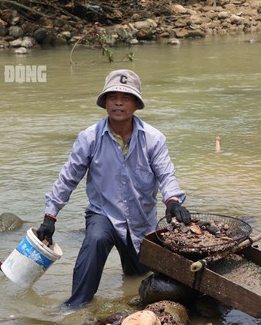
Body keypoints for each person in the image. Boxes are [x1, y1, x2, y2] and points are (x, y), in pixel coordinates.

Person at [36, 69, 192, 308]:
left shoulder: (153, 139)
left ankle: (131, 303)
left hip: (141, 222)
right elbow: (68, 178)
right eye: (112, 96)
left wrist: (172, 201)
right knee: (96, 239)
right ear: (105, 102)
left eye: (126, 97)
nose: (118, 102)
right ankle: (75, 307)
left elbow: (166, 174)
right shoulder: (89, 138)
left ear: (136, 105)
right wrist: (50, 216)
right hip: (104, 214)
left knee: (138, 278)